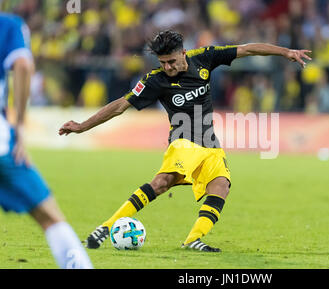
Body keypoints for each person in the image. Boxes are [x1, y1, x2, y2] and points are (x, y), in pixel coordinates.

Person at [59, 30, 311, 252]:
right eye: (163, 62)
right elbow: (119, 106)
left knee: (221, 186)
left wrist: (285, 52)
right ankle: (105, 228)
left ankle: (193, 240)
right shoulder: (155, 80)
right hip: (183, 141)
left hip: (210, 143)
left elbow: (246, 49)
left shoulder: (204, 57)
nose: (167, 67)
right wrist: (82, 126)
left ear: (184, 53)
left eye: (171, 61)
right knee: (161, 183)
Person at [0, 13, 93, 269]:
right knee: (50, 217)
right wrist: (19, 125)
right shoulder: (9, 25)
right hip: (0, 143)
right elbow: (23, 64)